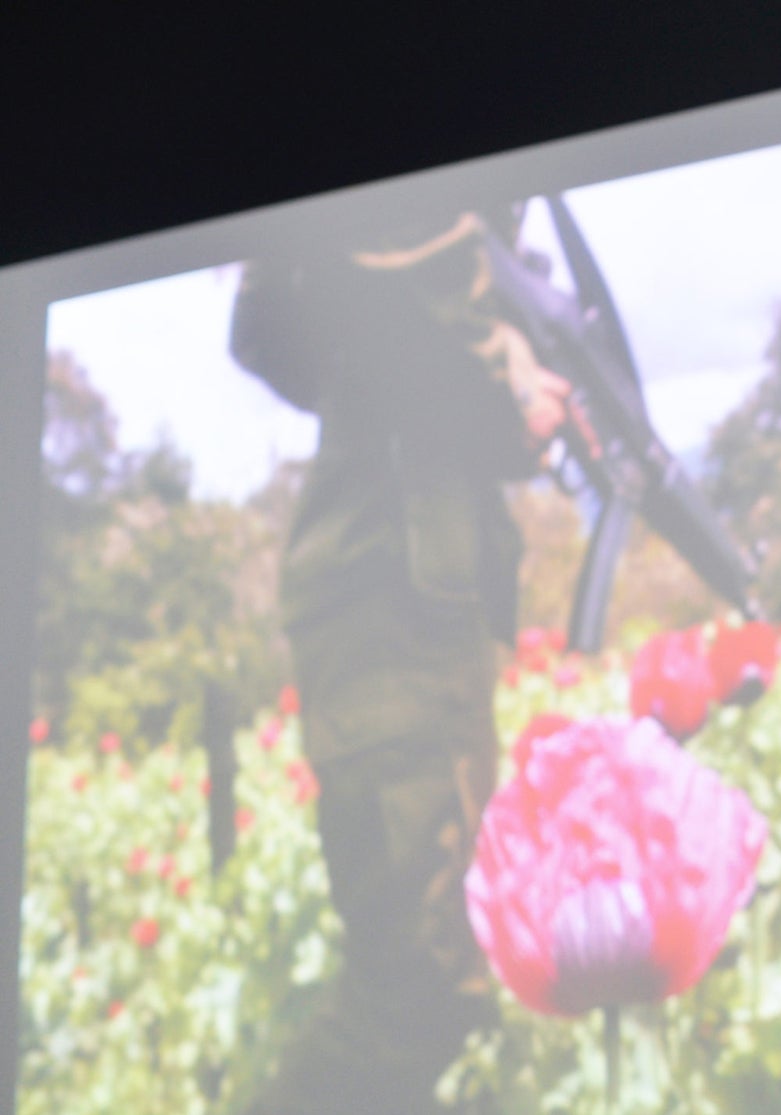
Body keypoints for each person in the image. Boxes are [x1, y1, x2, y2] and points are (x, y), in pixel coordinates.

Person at [229, 209, 570, 1114]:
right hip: (391, 604)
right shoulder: (420, 212)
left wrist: (502, 400)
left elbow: (295, 333)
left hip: (401, 603)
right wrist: (510, 371)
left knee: (428, 977)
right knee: (418, 990)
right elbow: (387, 260)